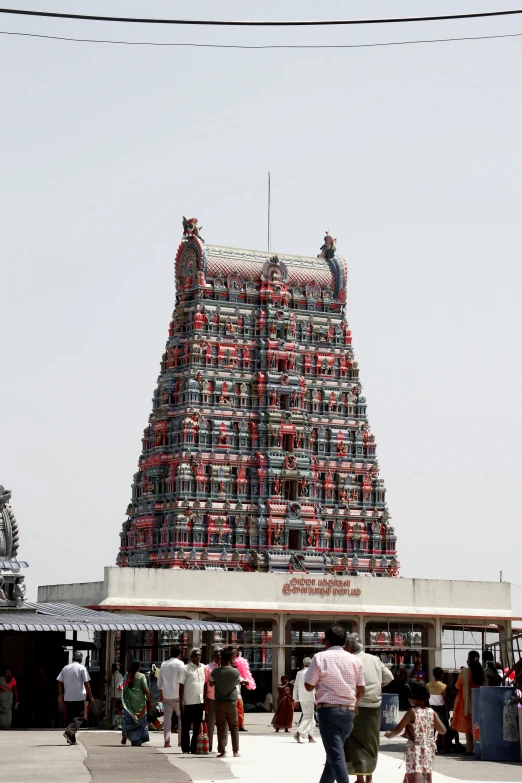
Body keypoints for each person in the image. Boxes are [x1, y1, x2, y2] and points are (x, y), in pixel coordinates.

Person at [305, 625, 365, 783]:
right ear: (345, 642)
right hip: (348, 713)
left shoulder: (320, 657)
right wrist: (355, 704)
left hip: (329, 712)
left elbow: (308, 685)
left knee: (336, 757)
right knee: (334, 755)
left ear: (328, 641)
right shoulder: (355, 660)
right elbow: (361, 689)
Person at [344, 633, 393, 783]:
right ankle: (369, 777)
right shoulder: (375, 659)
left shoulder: (350, 659)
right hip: (374, 705)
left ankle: (359, 778)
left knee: (354, 741)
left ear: (351, 647)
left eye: (346, 646)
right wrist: (378, 685)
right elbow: (389, 677)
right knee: (371, 741)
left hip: (357, 704)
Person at [384, 681, 446, 782]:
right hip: (428, 750)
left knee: (414, 772)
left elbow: (398, 729)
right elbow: (443, 730)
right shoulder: (431, 712)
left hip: (415, 750)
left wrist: (389, 735)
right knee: (425, 773)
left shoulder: (412, 712)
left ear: (413, 697)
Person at [209, 647, 244, 758]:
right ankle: (235, 751)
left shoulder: (215, 672)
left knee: (220, 726)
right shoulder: (235, 672)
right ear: (230, 658)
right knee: (234, 727)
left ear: (221, 658)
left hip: (219, 703)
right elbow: (239, 682)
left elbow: (210, 684)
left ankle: (222, 751)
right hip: (231, 703)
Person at [57, 651, 94, 745]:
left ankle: (72, 739)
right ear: (81, 660)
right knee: (79, 717)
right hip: (79, 697)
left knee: (71, 718)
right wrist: (90, 697)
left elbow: (59, 682)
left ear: (73, 658)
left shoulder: (65, 668)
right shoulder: (82, 668)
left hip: (68, 697)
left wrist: (61, 695)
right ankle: (68, 732)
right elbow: (86, 683)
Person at [452, 650, 484, 754]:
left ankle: (470, 748)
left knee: (468, 727)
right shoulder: (482, 671)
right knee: (478, 725)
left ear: (469, 659)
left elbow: (457, 686)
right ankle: (480, 746)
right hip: (480, 702)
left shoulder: (464, 672)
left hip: (466, 703)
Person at [179, 647, 206, 754]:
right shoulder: (185, 668)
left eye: (199, 655)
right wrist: (181, 700)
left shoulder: (203, 668)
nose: (198, 657)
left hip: (199, 702)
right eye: (196, 655)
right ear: (191, 657)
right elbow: (181, 685)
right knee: (185, 727)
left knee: (196, 727)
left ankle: (194, 748)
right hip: (188, 702)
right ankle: (185, 748)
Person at [158, 646, 185, 749]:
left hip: (166, 695)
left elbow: (159, 682)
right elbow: (182, 680)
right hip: (178, 695)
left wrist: (161, 692)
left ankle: (166, 742)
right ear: (179, 654)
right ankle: (180, 741)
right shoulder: (180, 664)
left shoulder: (163, 664)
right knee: (180, 719)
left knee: (167, 720)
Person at [121, 660, 153, 746]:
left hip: (128, 703)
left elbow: (121, 687)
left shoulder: (126, 676)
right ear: (139, 668)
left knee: (128, 721)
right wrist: (150, 700)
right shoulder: (142, 676)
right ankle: (137, 739)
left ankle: (124, 736)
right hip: (140, 704)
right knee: (140, 722)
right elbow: (145, 689)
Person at [293, 657, 316, 743]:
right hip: (310, 697)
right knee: (308, 717)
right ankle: (298, 733)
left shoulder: (299, 673)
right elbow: (315, 686)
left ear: (303, 664)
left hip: (302, 698)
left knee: (311, 718)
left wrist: (295, 699)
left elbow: (295, 687)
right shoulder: (312, 672)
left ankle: (310, 737)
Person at [426, 667, 449, 754]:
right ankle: (443, 749)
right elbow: (445, 700)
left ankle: (430, 748)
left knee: (432, 730)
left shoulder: (428, 685)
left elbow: (426, 698)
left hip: (431, 708)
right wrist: (447, 711)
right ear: (441, 675)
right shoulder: (443, 686)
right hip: (441, 709)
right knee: (443, 729)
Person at [205, 647, 222, 752]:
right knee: (210, 724)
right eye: (217, 654)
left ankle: (222, 747)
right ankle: (209, 747)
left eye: (220, 654)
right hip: (211, 699)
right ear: (213, 656)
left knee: (222, 724)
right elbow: (205, 683)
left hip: (223, 699)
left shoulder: (225, 667)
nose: (219, 655)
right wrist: (205, 700)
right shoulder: (208, 668)